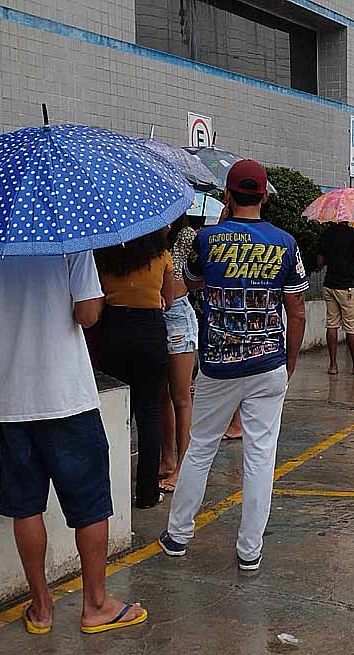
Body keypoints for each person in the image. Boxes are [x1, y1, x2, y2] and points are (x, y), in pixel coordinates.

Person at [0, 251, 146, 635]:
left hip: (14, 399)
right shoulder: (71, 238)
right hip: (68, 396)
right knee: (90, 503)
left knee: (26, 504)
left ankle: (42, 606)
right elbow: (87, 314)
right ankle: (96, 605)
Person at [160, 159, 307, 572]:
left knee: (201, 447)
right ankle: (248, 550)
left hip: (218, 366)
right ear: (263, 196)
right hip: (268, 364)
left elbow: (181, 288)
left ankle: (178, 535)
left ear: (227, 195)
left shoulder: (206, 241)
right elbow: (296, 311)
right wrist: (289, 362)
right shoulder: (285, 244)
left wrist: (219, 231)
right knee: (260, 456)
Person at [89, 230, 174, 510]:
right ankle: (147, 494)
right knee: (149, 416)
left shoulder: (106, 256)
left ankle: (111, 490)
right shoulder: (162, 256)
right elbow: (169, 299)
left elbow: (97, 302)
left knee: (118, 416)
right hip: (150, 332)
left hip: (115, 333)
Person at [159, 217, 198, 495]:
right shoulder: (146, 234)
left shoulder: (185, 235)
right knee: (162, 395)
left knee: (181, 396)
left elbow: (187, 282)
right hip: (152, 314)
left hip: (176, 316)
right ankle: (167, 457)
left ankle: (182, 464)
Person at [317, 221, 354, 376]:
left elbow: (320, 261)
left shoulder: (327, 233)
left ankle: (333, 365)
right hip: (347, 286)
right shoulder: (351, 233)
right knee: (352, 326)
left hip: (329, 284)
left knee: (332, 324)